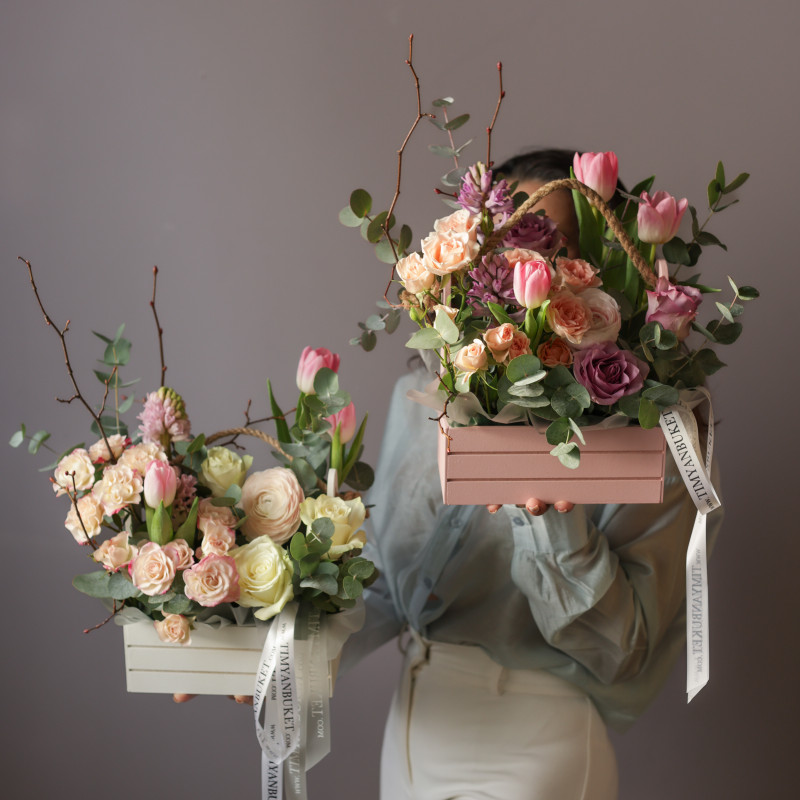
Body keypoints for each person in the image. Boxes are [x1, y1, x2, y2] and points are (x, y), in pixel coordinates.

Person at [337, 149, 723, 800]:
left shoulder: (653, 437)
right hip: (416, 726)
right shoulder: (422, 397)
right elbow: (380, 583)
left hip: (542, 736)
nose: (527, 267)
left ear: (605, 273)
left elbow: (619, 650)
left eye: (553, 247)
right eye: (507, 244)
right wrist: (271, 656)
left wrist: (554, 521)